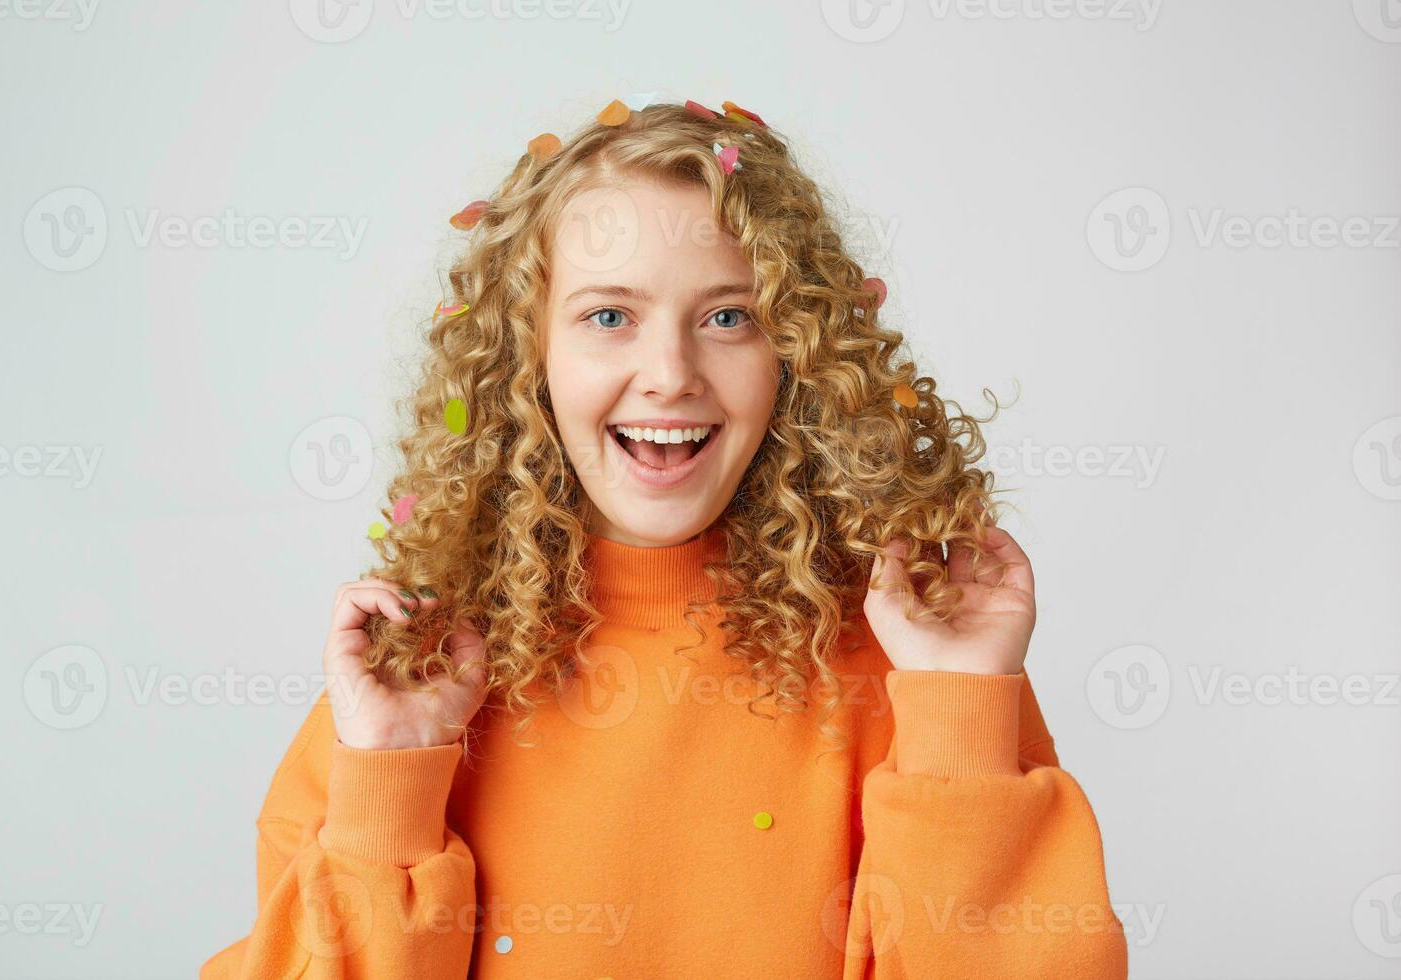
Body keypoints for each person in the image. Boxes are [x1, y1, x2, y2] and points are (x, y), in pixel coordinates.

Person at [200, 98, 1128, 979]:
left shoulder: (910, 664)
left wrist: (961, 716)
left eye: (729, 317)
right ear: (529, 358)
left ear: (796, 356)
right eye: (610, 317)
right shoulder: (416, 681)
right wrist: (391, 794)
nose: (671, 374)